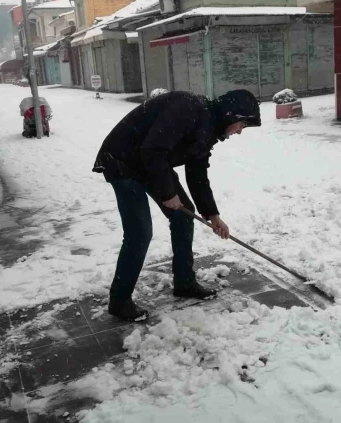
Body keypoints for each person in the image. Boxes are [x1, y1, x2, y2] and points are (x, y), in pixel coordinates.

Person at [93, 89, 261, 322]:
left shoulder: (208, 128)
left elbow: (197, 174)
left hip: (148, 163)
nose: (240, 131)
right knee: (139, 232)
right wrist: (167, 193)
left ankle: (184, 282)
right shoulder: (188, 108)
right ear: (230, 115)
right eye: (242, 124)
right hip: (122, 161)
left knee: (185, 216)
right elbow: (152, 149)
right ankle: (119, 300)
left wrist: (212, 215)